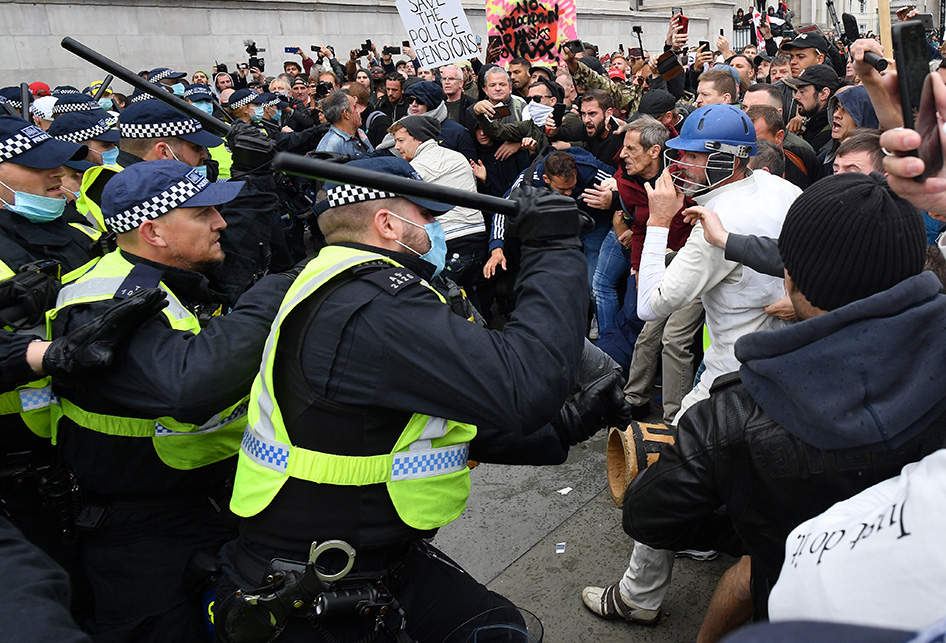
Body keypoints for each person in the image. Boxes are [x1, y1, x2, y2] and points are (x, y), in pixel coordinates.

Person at [214, 156, 628, 642]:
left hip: (365, 555)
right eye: (426, 216)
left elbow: (419, 422)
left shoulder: (336, 282)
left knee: (499, 628)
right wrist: (553, 246)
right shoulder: (372, 305)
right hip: (321, 577)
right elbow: (525, 385)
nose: (436, 228)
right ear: (387, 224)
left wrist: (564, 426)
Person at [623, 172, 943, 640]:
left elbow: (648, 515)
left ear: (788, 276)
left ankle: (635, 598)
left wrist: (768, 535)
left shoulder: (732, 413)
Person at [47, 159, 295, 642]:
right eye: (204, 214)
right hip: (140, 532)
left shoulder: (173, 279)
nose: (221, 223)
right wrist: (268, 298)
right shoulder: (102, 301)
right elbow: (189, 386)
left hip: (204, 504)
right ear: (153, 232)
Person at [582, 104, 800, 626]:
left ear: (732, 160)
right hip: (791, 368)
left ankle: (638, 595)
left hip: (731, 379)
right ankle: (703, 539)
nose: (681, 166)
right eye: (680, 155)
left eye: (696, 158)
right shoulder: (781, 189)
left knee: (662, 477)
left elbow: (649, 304)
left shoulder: (714, 226)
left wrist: (657, 224)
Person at [389, 116, 487, 305]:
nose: (397, 147)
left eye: (401, 140)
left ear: (418, 138)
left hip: (451, 245)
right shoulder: (457, 156)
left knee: (446, 302)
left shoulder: (415, 168)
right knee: (466, 296)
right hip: (479, 240)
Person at [782, 64, 839, 153]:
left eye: (802, 92)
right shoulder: (812, 122)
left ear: (824, 94)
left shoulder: (831, 133)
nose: (796, 96)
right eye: (797, 91)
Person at [315, 89, 374, 159]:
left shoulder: (360, 133)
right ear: (346, 114)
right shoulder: (330, 146)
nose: (360, 111)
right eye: (355, 107)